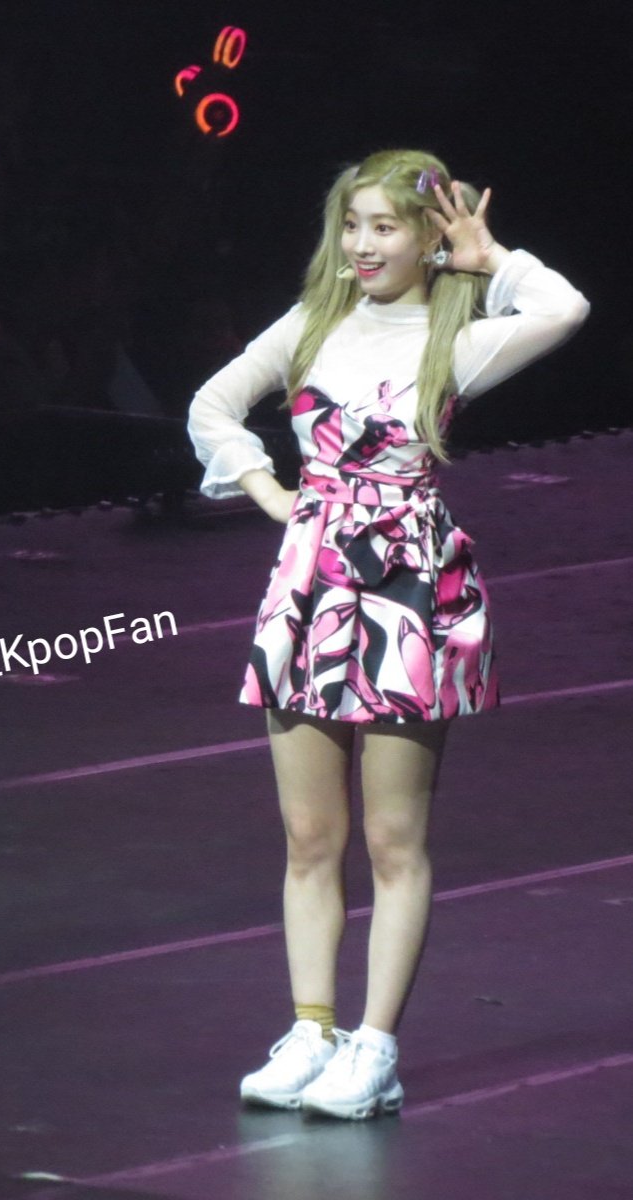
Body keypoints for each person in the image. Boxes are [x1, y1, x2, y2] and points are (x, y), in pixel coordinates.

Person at [187, 149, 588, 1117]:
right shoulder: (314, 322)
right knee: (309, 834)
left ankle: (374, 1050)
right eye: (352, 224)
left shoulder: (457, 337)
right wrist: (273, 496)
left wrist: (492, 259)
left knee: (393, 837)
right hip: (311, 588)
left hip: (409, 591)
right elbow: (214, 403)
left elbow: (567, 308)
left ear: (426, 237)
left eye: (385, 227)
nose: (363, 244)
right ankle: (310, 1031)